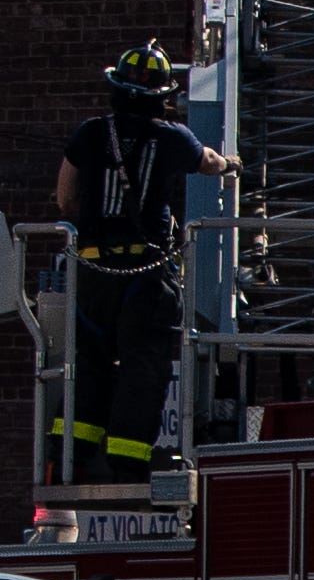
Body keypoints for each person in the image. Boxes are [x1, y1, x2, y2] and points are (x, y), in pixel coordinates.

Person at [52, 42, 233, 474]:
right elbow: (207, 162)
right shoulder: (171, 138)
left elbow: (64, 199)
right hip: (146, 278)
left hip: (93, 275)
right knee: (142, 367)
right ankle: (126, 461)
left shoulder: (90, 134)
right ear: (163, 95)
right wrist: (231, 163)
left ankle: (68, 459)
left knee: (88, 364)